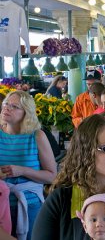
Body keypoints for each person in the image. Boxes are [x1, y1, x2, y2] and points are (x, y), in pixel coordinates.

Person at [0, 91, 57, 240]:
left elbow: (52, 176)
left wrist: (23, 171)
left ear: (26, 113)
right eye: (6, 104)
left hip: (31, 206)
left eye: (14, 106)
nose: (7, 108)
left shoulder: (37, 136)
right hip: (1, 205)